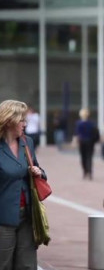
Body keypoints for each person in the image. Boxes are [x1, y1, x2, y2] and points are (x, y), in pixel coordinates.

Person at [0, 99, 47, 270]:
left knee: (27, 265)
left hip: (27, 214)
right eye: (22, 120)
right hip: (3, 217)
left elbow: (37, 167)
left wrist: (39, 172)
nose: (25, 124)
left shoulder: (27, 143)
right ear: (9, 121)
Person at [74, 108, 99, 180]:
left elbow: (77, 133)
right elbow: (95, 133)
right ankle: (90, 172)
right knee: (89, 157)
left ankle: (85, 171)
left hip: (82, 142)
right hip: (90, 142)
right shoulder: (91, 123)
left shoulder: (78, 123)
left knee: (83, 157)